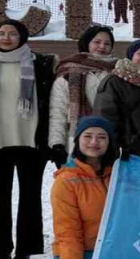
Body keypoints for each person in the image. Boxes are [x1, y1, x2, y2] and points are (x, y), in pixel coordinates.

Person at [0, 19, 57, 259]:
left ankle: (25, 250)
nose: (6, 38)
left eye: (12, 34)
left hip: (32, 142)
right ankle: (1, 250)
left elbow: (52, 100)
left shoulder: (41, 64)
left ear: (22, 37)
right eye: (1, 33)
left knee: (30, 197)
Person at [48, 116, 119, 259]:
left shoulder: (119, 174)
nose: (94, 142)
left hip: (113, 251)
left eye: (101, 137)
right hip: (82, 251)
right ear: (77, 140)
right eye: (88, 136)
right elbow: (68, 233)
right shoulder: (66, 181)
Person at [48, 25, 116, 164]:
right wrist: (57, 144)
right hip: (75, 142)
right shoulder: (68, 74)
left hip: (110, 143)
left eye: (107, 43)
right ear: (86, 43)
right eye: (97, 42)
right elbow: (58, 112)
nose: (102, 46)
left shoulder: (119, 72)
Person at [95, 40, 140, 160]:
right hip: (123, 151)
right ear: (131, 55)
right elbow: (105, 119)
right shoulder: (113, 82)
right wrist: (115, 150)